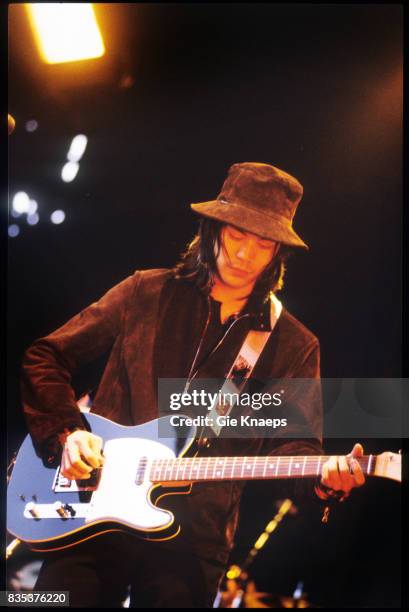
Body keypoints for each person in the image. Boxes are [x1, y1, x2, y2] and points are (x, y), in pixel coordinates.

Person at [21, 162, 365, 608]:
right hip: (92, 510)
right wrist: (68, 434)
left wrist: (324, 478)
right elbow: (45, 356)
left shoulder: (293, 343)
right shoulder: (144, 291)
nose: (244, 255)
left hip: (192, 541)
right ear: (212, 228)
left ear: (278, 252)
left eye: (263, 244)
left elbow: (295, 446)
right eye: (237, 235)